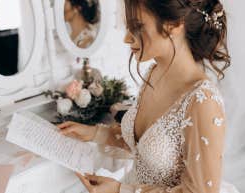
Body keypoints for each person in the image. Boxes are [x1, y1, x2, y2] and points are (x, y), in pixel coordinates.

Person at [58, 0, 240, 192]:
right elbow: (144, 146)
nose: (127, 38)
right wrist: (95, 133)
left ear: (174, 24)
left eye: (137, 27)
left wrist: (121, 190)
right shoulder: (154, 72)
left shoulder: (203, 102)